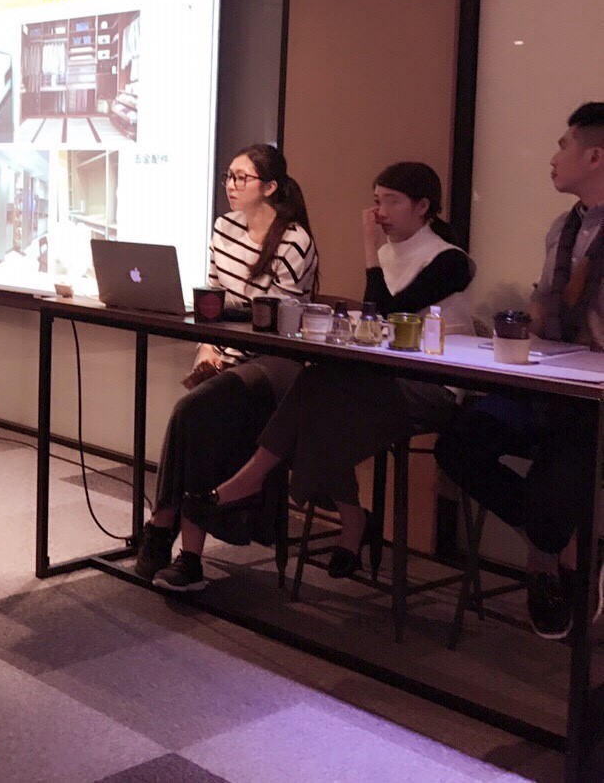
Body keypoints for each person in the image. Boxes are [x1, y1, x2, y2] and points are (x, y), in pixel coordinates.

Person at [183, 162, 474, 581]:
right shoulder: (391, 254)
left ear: (423, 206)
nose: (379, 212)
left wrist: (369, 247)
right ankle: (346, 518)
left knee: (318, 398)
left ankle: (264, 485)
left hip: (436, 385)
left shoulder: (450, 261)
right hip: (388, 376)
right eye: (376, 201)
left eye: (391, 201)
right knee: (316, 388)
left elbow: (384, 312)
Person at [436, 102, 604, 639]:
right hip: (544, 380)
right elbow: (548, 303)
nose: (553, 157)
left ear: (595, 156)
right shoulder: (562, 228)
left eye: (563, 145)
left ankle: (549, 560)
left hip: (590, 398)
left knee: (564, 464)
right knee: (458, 444)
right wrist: (522, 324)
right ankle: (558, 546)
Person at [135, 144, 319, 592]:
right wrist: (206, 349)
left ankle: (163, 525)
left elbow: (279, 322)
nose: (231, 186)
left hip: (276, 364)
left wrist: (227, 337)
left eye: (241, 178)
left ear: (270, 187)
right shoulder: (224, 228)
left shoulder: (293, 240)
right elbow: (212, 303)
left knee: (192, 411)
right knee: (196, 415)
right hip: (233, 357)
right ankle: (186, 557)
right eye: (229, 177)